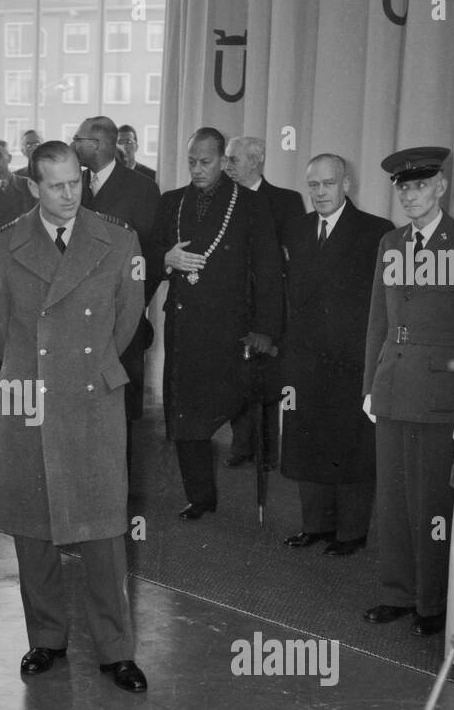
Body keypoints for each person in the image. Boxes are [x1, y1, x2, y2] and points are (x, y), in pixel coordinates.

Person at [0, 140, 148, 693]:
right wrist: (32, 369)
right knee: (34, 527)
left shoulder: (119, 240)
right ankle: (46, 639)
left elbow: (129, 316)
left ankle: (115, 649)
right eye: (56, 185)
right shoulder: (0, 247)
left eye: (76, 182)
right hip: (29, 395)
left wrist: (91, 365)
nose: (70, 194)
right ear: (34, 187)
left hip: (92, 393)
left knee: (102, 529)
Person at [362, 146, 454, 636]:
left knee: (432, 503)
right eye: (403, 187)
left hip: (442, 396)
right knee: (395, 496)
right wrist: (369, 386)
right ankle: (396, 592)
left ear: (441, 186)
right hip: (395, 387)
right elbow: (377, 320)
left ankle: (433, 601)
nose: (410, 195)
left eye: (420, 185)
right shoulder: (390, 243)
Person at [152, 127, 282, 519]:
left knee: (229, 404)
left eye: (205, 162)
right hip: (184, 326)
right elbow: (148, 253)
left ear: (224, 162)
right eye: (191, 161)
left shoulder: (250, 205)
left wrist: (265, 329)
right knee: (185, 415)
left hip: (232, 329)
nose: (196, 169)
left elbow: (269, 271)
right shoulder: (172, 202)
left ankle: (250, 463)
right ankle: (200, 497)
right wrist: (166, 260)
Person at [279, 154, 393, 555]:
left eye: (328, 184)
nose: (320, 192)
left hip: (352, 358)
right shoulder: (296, 230)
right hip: (305, 358)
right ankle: (315, 525)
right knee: (307, 441)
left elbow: (385, 303)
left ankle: (351, 533)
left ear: (347, 184)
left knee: (351, 445)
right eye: (313, 185)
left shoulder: (377, 232)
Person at [73, 116, 162, 475]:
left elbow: (149, 259)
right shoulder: (71, 184)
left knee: (117, 411)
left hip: (120, 324)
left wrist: (126, 308)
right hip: (74, 323)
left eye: (78, 139)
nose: (72, 144)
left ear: (97, 144)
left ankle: (113, 492)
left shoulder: (142, 189)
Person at [222, 135, 304, 470]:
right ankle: (241, 444)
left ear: (256, 160)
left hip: (269, 303)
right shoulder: (223, 200)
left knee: (269, 377)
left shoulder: (285, 201)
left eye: (233, 160)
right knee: (236, 375)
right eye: (226, 160)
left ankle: (269, 451)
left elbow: (294, 252)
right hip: (234, 303)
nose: (227, 167)